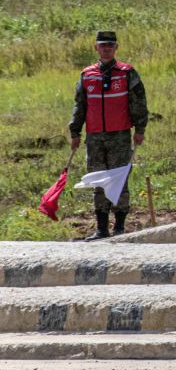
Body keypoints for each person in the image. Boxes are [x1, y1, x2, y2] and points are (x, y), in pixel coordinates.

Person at [67, 30, 147, 240]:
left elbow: (139, 103)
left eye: (110, 45)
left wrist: (140, 129)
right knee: (98, 180)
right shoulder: (87, 75)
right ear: (96, 47)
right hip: (94, 138)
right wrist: (75, 132)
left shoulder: (127, 73)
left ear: (116, 48)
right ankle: (102, 229)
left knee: (119, 179)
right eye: (103, 45)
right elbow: (80, 106)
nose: (106, 49)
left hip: (120, 136)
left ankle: (119, 228)